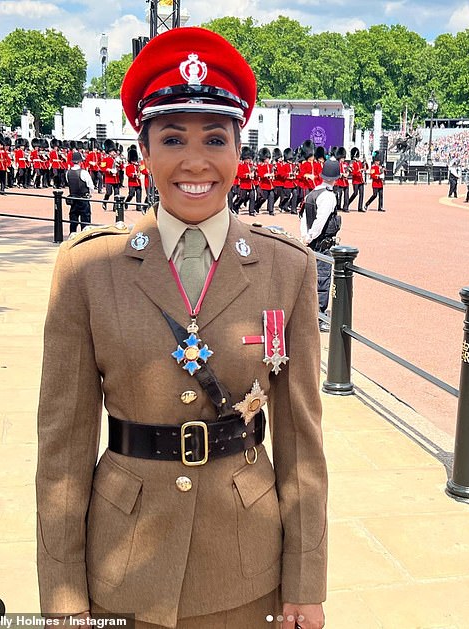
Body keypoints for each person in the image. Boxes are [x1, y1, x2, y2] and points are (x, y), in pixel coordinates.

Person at [36, 26, 327, 629]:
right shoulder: (89, 269)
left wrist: (306, 578)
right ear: (144, 153)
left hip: (245, 565)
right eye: (172, 139)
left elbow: (301, 442)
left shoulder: (285, 267)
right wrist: (63, 596)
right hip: (123, 563)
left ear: (238, 151)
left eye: (215, 139)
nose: (196, 161)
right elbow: (61, 451)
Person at [300, 159, 340, 333]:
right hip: (321, 242)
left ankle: (311, 313)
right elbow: (320, 221)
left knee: (312, 279)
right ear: (335, 178)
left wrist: (305, 236)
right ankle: (319, 316)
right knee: (322, 280)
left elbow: (302, 217)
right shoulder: (328, 196)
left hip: (311, 241)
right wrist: (310, 237)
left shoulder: (313, 193)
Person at [66, 150, 94, 233]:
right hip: (83, 199)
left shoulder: (68, 172)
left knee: (73, 221)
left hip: (73, 199)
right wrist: (89, 193)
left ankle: (72, 236)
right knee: (85, 222)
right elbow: (91, 186)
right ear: (80, 161)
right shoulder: (84, 172)